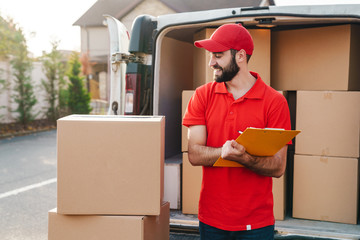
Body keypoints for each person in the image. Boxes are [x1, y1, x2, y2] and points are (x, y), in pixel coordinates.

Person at [182, 23, 291, 240]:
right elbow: (194, 154)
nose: (211, 62)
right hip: (212, 219)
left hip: (257, 224)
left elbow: (278, 167)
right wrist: (223, 152)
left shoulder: (274, 102)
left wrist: (245, 158)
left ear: (240, 56)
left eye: (218, 55)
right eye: (211, 55)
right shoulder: (203, 95)